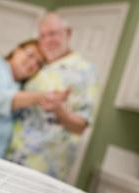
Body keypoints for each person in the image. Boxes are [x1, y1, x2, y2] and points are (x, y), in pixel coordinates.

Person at [6, 13, 99, 181]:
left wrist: (59, 110)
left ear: (68, 33)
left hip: (43, 170)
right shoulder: (36, 63)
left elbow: (81, 126)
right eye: (42, 35)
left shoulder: (86, 71)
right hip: (9, 157)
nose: (47, 40)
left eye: (53, 33)